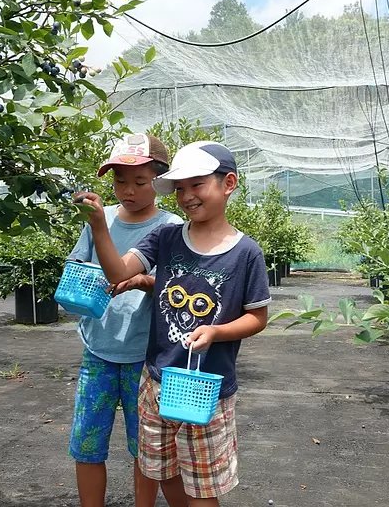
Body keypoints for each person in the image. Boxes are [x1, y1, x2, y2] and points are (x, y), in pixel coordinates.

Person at [77, 141, 271, 507]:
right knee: (164, 473)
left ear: (228, 183)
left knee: (203, 484)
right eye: (180, 188)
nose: (186, 196)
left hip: (206, 387)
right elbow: (118, 272)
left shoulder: (246, 253)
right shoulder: (166, 238)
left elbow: (257, 317)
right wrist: (100, 227)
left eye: (197, 185)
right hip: (157, 380)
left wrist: (217, 331)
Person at [67, 133, 184, 507]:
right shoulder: (102, 219)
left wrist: (146, 282)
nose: (128, 191)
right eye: (120, 181)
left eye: (139, 181)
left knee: (145, 446)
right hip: (97, 349)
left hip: (144, 356)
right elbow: (78, 263)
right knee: (87, 442)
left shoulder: (170, 226)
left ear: (160, 181)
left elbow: (178, 289)